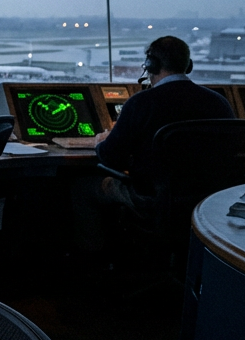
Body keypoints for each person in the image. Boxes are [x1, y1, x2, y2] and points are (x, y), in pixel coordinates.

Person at [75, 36, 235, 251]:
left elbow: (111, 158)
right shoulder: (219, 102)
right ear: (187, 65)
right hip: (208, 200)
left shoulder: (141, 103)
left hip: (152, 199)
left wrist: (101, 142)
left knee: (82, 189)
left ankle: (95, 262)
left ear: (151, 65)